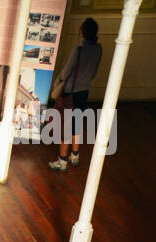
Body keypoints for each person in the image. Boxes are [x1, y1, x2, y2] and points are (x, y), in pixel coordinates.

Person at [48, 18, 102, 172]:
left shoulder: (78, 51)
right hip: (84, 91)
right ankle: (75, 155)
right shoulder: (99, 49)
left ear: (82, 33)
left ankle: (62, 161)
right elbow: (94, 71)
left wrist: (60, 81)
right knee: (76, 123)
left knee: (65, 126)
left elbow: (65, 73)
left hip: (70, 92)